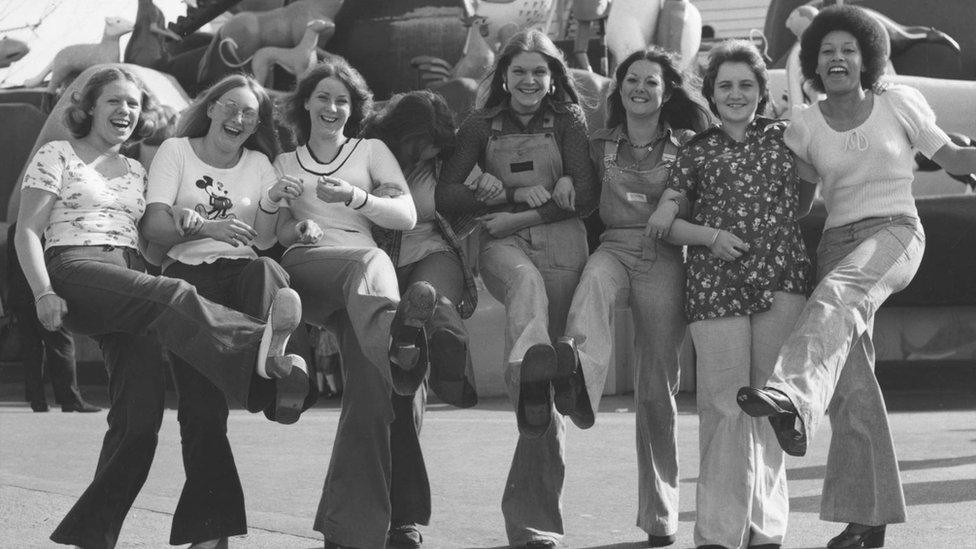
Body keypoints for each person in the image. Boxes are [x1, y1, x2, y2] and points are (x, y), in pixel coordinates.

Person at [13, 66, 309, 549]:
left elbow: (150, 244)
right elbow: (27, 229)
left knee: (139, 422)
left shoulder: (134, 169)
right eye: (114, 102)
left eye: (133, 104)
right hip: (75, 266)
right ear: (88, 107)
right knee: (174, 293)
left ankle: (92, 535)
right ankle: (260, 354)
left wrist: (186, 224)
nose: (125, 112)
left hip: (128, 274)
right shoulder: (58, 154)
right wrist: (43, 291)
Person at [735, 6, 976, 549]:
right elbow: (796, 205)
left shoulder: (898, 101)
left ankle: (790, 394)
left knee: (836, 298)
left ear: (867, 57)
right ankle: (868, 518)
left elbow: (952, 157)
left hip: (895, 232)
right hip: (837, 242)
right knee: (851, 386)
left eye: (849, 49)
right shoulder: (806, 124)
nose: (838, 58)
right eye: (828, 51)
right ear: (815, 63)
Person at [647, 40, 816, 549]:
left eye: (746, 85)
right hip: (714, 285)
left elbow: (805, 200)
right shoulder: (696, 150)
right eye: (726, 86)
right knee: (723, 406)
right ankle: (719, 534)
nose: (736, 94)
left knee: (768, 405)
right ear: (712, 94)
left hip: (781, 280)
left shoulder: (788, 138)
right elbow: (667, 224)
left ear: (762, 92)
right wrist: (710, 237)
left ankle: (765, 529)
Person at [435, 28, 598, 549]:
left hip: (563, 247)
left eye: (539, 71)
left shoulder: (570, 121)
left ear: (553, 80)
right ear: (504, 76)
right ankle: (526, 372)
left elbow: (587, 195)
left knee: (547, 396)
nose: (529, 80)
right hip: (503, 248)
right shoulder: (480, 124)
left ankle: (534, 526)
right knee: (527, 299)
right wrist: (507, 193)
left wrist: (530, 212)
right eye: (520, 71)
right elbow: (448, 195)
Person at [273, 58, 438, 549]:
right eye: (323, 96)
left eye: (342, 99)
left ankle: (353, 529)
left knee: (373, 396)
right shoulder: (286, 162)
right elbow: (275, 232)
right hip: (314, 268)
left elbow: (405, 214)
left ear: (354, 108)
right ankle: (396, 338)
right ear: (306, 102)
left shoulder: (371, 150)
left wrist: (356, 197)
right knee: (371, 267)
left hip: (365, 287)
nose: (332, 106)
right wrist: (296, 226)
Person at [140, 73, 304, 548]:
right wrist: (200, 229)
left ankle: (279, 373)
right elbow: (153, 226)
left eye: (249, 113)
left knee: (270, 276)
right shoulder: (176, 151)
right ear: (211, 107)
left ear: (257, 123)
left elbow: (269, 238)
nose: (238, 118)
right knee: (201, 412)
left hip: (243, 277)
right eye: (230, 106)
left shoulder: (258, 162)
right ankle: (211, 536)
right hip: (189, 283)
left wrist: (277, 206)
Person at [557, 47, 711, 547]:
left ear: (667, 94)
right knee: (592, 288)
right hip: (615, 248)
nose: (640, 89)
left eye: (651, 82)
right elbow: (577, 189)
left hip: (666, 258)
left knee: (655, 391)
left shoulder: (688, 144)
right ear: (618, 88)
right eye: (632, 80)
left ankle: (660, 512)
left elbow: (700, 198)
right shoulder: (596, 140)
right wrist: (561, 180)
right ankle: (578, 384)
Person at [365, 90, 481, 548]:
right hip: (384, 268)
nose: (431, 152)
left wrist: (482, 192)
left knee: (434, 301)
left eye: (437, 144)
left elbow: (461, 207)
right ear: (402, 135)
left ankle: (451, 360)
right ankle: (400, 517)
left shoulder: (446, 159)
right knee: (401, 392)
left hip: (434, 255)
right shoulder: (368, 152)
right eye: (423, 144)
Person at [6, 223, 100, 413]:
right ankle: (69, 399)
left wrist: (10, 302)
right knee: (62, 346)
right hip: (45, 294)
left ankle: (36, 399)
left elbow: (9, 267)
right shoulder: (49, 226)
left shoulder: (15, 229)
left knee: (32, 349)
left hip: (21, 298)